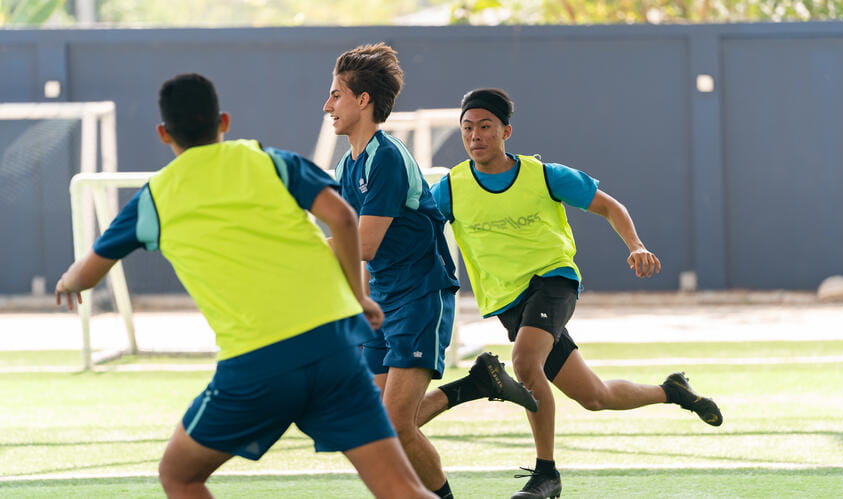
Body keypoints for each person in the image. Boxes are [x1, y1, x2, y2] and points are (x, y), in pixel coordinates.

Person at [55, 73, 436, 499]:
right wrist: (358, 296)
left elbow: (87, 274)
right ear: (224, 122)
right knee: (400, 488)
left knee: (179, 475)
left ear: (163, 133)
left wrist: (69, 279)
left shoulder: (153, 199)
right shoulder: (271, 161)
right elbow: (344, 218)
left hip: (258, 362)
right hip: (334, 346)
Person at [424, 88, 724, 499]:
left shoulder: (545, 175)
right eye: (467, 128)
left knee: (525, 363)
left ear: (506, 131)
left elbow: (609, 206)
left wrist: (635, 245)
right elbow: (417, 232)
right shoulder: (451, 188)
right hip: (509, 302)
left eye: (486, 127)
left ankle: (546, 474)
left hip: (553, 282)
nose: (475, 136)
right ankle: (673, 391)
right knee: (594, 397)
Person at [322, 44, 538, 499]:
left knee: (396, 425)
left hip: (419, 297)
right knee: (373, 427)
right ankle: (477, 384)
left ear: (363, 101)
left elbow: (362, 244)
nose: (327, 106)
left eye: (336, 94)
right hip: (383, 301)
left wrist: (285, 251)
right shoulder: (348, 165)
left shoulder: (386, 158)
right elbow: (355, 250)